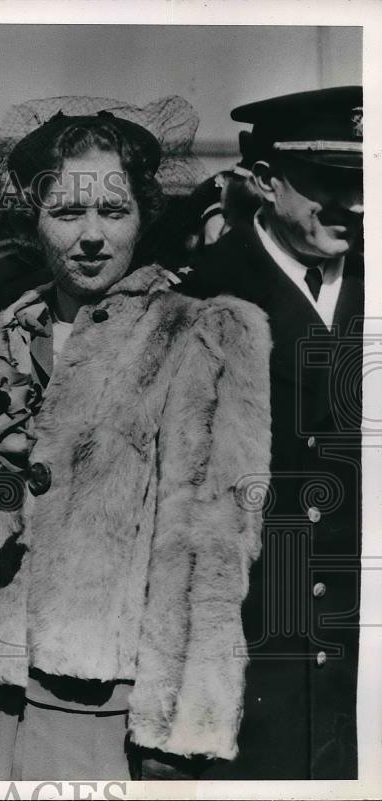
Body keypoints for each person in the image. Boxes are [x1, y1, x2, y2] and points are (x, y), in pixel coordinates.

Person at [0, 108, 273, 779]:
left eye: (113, 211)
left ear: (144, 217)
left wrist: (176, 732)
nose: (91, 236)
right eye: (66, 212)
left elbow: (207, 551)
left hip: (98, 714)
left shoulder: (196, 336)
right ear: (33, 219)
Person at [177, 86, 364, 779]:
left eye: (367, 180)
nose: (357, 204)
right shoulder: (199, 297)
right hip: (256, 667)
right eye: (329, 185)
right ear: (260, 181)